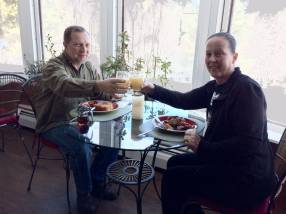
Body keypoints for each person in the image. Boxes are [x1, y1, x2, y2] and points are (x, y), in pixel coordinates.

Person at [141, 32, 278, 214]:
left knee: (173, 178)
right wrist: (153, 89)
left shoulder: (246, 90)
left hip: (246, 179)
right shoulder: (216, 86)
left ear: (234, 57)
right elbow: (183, 100)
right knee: (174, 162)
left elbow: (248, 145)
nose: (212, 59)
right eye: (208, 54)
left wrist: (202, 146)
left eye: (219, 53)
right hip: (225, 162)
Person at [34, 26, 128, 214]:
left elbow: (99, 92)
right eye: (77, 44)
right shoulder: (54, 66)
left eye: (86, 44)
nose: (83, 49)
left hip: (84, 120)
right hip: (54, 123)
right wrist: (98, 84)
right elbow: (64, 85)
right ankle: (84, 195)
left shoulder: (89, 66)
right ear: (65, 45)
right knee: (81, 145)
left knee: (117, 131)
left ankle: (97, 180)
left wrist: (112, 95)